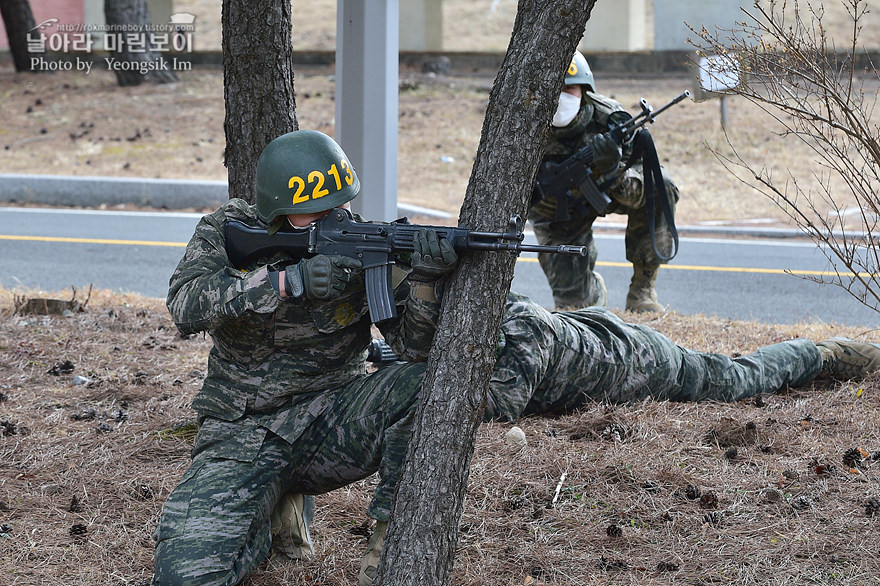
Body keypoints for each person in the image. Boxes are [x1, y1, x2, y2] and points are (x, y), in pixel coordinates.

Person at [151, 129, 458, 586]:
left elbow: (415, 348)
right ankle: (270, 509)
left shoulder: (364, 243)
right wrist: (283, 282)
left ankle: (388, 555)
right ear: (276, 212)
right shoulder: (228, 229)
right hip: (243, 432)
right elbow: (185, 303)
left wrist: (427, 280)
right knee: (184, 576)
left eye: (340, 206)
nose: (334, 219)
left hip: (331, 422)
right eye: (315, 213)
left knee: (425, 384)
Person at [530, 50, 682, 313]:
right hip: (557, 210)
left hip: (608, 189)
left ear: (585, 90)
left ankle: (642, 290)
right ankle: (594, 287)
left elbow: (638, 185)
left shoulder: (609, 120)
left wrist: (612, 170)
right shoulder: (524, 126)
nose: (561, 96)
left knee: (661, 185)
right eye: (554, 88)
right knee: (575, 307)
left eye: (569, 88)